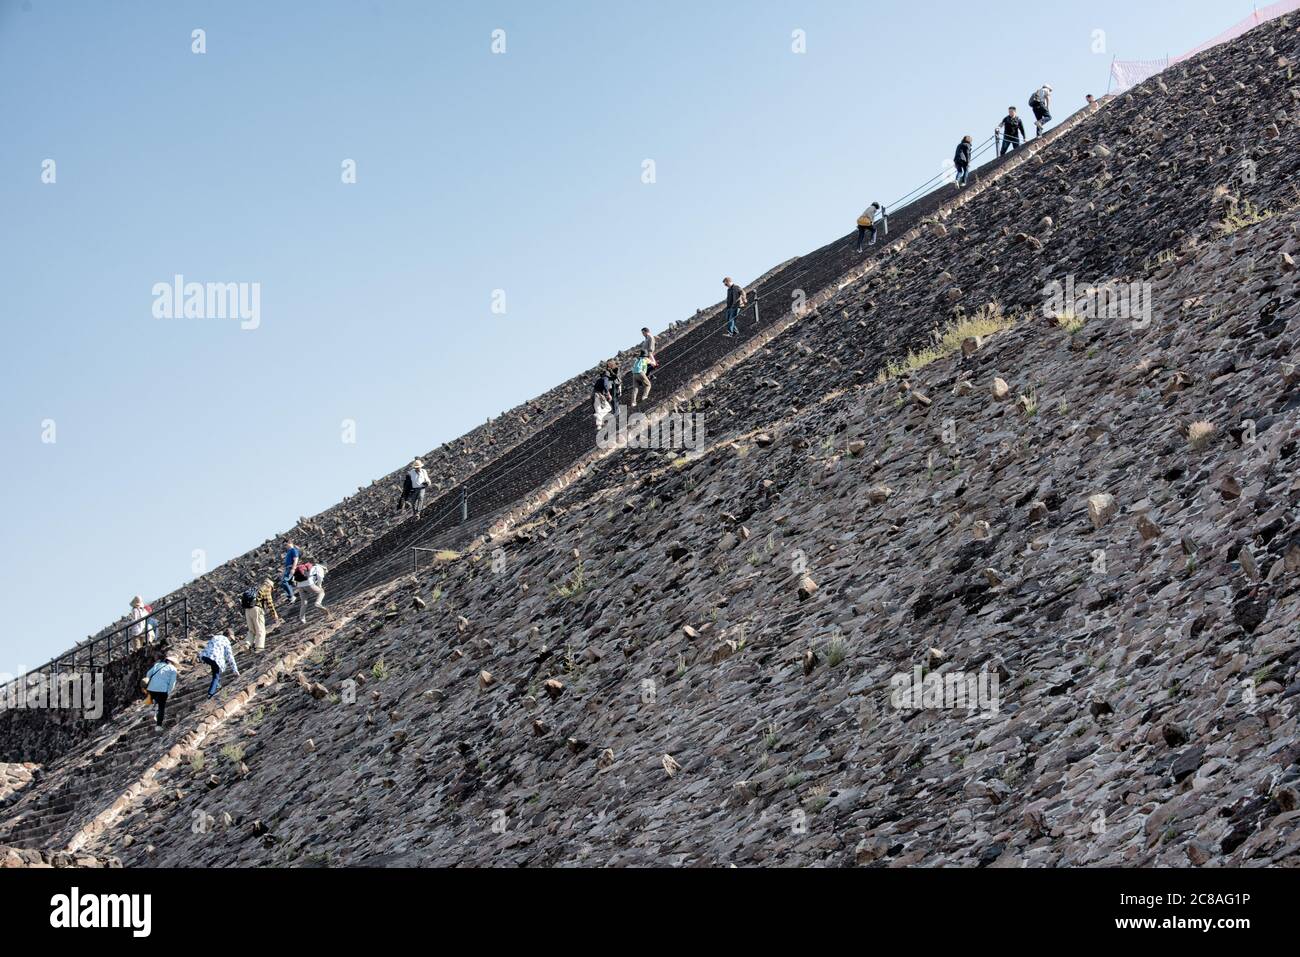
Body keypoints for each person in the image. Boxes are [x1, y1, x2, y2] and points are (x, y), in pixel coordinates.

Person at [240, 578, 279, 652]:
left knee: (252, 630)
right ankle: (259, 648)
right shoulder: (266, 589)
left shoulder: (256, 588)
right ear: (270, 586)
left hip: (247, 610)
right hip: (257, 610)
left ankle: (247, 644)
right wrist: (274, 615)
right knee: (260, 630)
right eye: (272, 588)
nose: (271, 590)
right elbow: (270, 603)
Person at [200, 629, 239, 699]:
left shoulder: (216, 637)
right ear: (229, 636)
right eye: (231, 638)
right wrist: (235, 670)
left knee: (214, 669)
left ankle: (217, 685)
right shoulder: (226, 641)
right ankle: (210, 693)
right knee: (216, 676)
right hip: (216, 659)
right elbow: (230, 657)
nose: (230, 640)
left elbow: (208, 646)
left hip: (205, 656)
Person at [143, 654, 179, 729]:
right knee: (161, 707)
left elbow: (148, 674)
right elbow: (172, 682)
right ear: (173, 662)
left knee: (153, 700)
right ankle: (158, 726)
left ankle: (152, 712)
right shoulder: (173, 669)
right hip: (162, 690)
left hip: (151, 688)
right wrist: (168, 691)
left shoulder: (157, 665)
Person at [280, 539, 301, 605]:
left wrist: (293, 569)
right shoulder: (289, 551)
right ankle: (291, 597)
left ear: (289, 543)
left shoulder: (293, 550)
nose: (285, 546)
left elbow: (296, 559)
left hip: (290, 568)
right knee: (285, 582)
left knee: (284, 582)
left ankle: (292, 597)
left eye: (285, 544)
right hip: (287, 569)